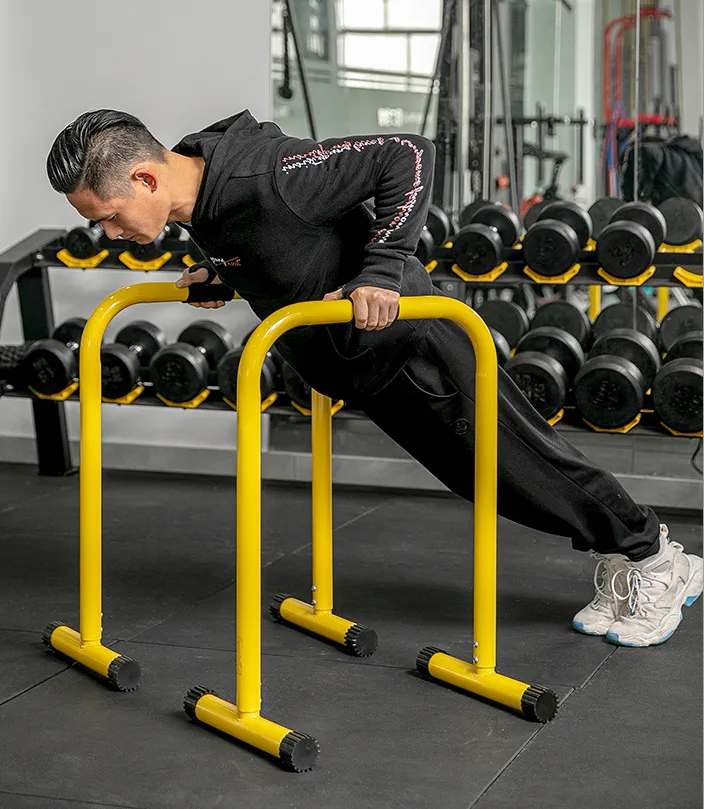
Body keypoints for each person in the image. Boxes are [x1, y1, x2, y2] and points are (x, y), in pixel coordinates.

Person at [46, 109, 702, 648]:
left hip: (415, 347)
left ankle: (654, 557)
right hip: (368, 367)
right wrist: (225, 276)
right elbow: (285, 245)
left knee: (527, 463)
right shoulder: (201, 202)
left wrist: (383, 271)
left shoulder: (267, 175)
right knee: (492, 482)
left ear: (145, 178)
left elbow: (406, 153)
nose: (110, 232)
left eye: (108, 215)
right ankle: (619, 553)